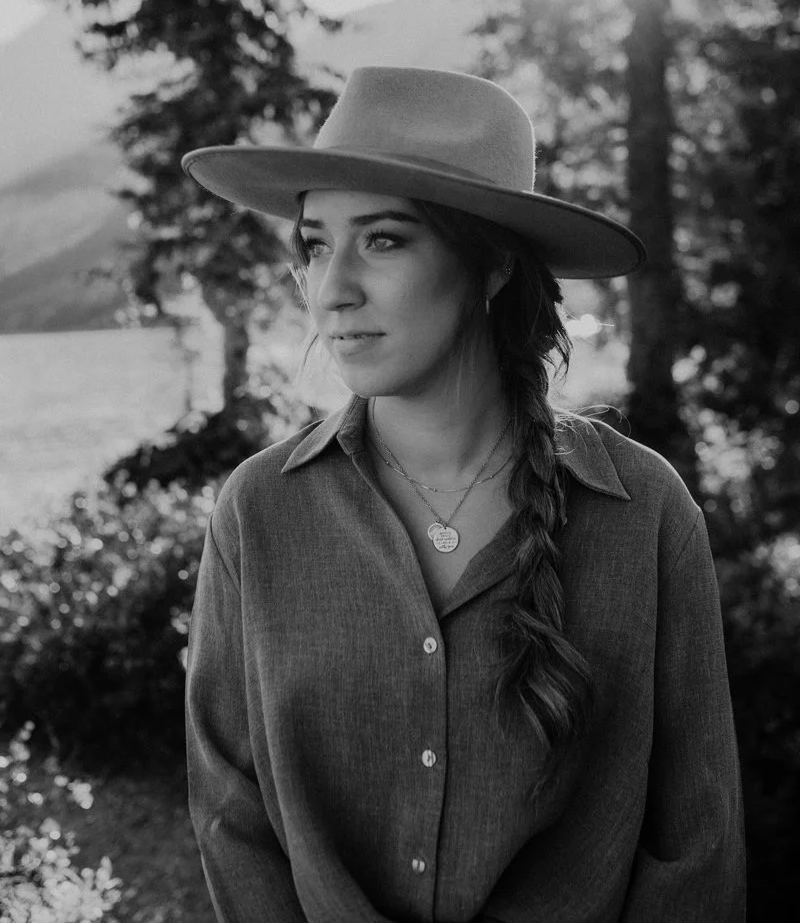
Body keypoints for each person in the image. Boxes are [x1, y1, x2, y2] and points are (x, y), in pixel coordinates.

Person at [181, 66, 745, 922]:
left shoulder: (645, 512)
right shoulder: (259, 513)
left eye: (383, 240)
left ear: (492, 266)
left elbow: (695, 852)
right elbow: (233, 816)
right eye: (313, 243)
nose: (332, 290)